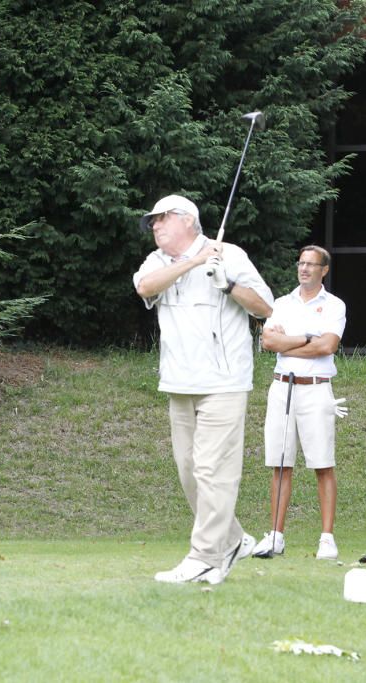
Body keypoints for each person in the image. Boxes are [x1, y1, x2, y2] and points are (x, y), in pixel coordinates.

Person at [133, 194, 274, 584]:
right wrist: (193, 263)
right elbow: (145, 288)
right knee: (189, 471)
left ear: (186, 220)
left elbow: (265, 307)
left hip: (223, 382)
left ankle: (206, 555)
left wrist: (228, 285)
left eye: (161, 220)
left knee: (214, 470)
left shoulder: (230, 254)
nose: (155, 227)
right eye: (153, 222)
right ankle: (233, 540)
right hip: (178, 382)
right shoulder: (157, 262)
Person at [253, 246, 347, 561]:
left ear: (324, 270)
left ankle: (327, 538)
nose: (304, 269)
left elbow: (329, 345)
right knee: (280, 464)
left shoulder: (334, 305)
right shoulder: (281, 304)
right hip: (282, 388)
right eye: (301, 263)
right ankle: (276, 537)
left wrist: (290, 342)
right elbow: (269, 342)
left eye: (311, 264)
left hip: (317, 390)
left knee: (322, 463)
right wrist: (307, 339)